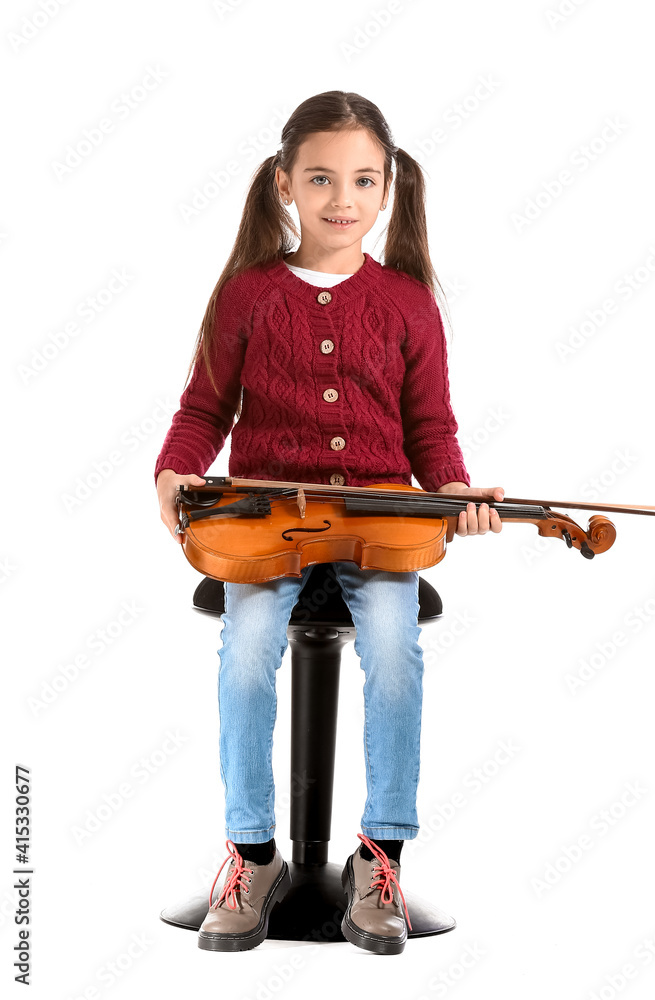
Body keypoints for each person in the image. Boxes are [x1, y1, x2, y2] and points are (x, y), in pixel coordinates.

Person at [155, 90, 505, 956]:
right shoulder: (246, 294)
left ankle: (377, 858)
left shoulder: (407, 301)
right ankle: (252, 855)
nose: (340, 199)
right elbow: (204, 408)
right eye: (319, 178)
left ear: (387, 190)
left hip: (379, 521)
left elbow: (431, 427)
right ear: (284, 184)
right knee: (244, 654)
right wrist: (173, 467)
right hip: (260, 523)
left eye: (361, 180)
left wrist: (455, 493)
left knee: (394, 648)